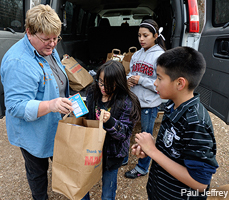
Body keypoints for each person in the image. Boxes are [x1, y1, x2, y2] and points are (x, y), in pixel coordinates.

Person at [1, 4, 74, 200]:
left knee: (62, 162)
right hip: (33, 132)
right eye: (47, 39)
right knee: (37, 171)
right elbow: (16, 106)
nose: (52, 44)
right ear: (29, 32)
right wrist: (51, 105)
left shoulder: (47, 47)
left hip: (54, 122)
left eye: (55, 38)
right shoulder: (18, 62)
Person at [132, 46, 219, 199]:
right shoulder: (172, 106)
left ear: (180, 83)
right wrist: (150, 147)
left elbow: (200, 184)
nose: (155, 84)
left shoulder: (196, 123)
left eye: (159, 78)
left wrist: (153, 151)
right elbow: (172, 151)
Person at [82, 60, 141, 200]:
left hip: (112, 154)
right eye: (100, 81)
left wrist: (110, 121)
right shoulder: (92, 92)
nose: (103, 87)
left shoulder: (127, 102)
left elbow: (125, 134)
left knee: (108, 192)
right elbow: (86, 117)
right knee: (82, 184)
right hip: (90, 149)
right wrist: (77, 109)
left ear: (119, 82)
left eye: (108, 84)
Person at [124, 19, 166, 178]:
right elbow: (131, 73)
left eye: (145, 35)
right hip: (134, 101)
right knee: (126, 130)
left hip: (150, 104)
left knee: (145, 136)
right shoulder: (136, 54)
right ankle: (123, 157)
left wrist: (140, 81)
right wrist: (128, 78)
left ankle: (142, 168)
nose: (141, 39)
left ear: (155, 35)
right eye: (139, 35)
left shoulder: (161, 56)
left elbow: (161, 84)